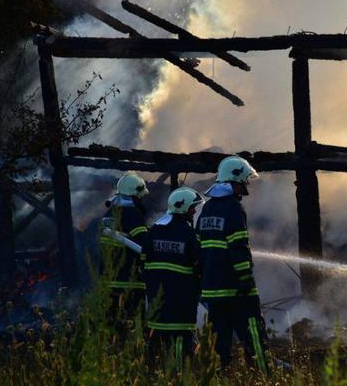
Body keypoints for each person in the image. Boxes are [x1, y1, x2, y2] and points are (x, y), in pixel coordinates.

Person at [196, 156, 268, 372]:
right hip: (236, 287)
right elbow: (238, 246)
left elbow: (199, 246)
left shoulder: (207, 209)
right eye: (245, 180)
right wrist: (245, 279)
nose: (246, 185)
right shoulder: (234, 208)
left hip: (214, 289)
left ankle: (219, 376)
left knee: (220, 338)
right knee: (253, 332)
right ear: (235, 179)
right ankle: (262, 374)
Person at [141, 187, 203, 363]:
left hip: (156, 297)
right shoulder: (190, 235)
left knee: (155, 336)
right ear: (183, 208)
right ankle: (179, 372)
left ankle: (152, 369)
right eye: (192, 207)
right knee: (181, 339)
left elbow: (143, 259)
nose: (194, 211)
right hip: (182, 300)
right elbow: (199, 265)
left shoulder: (154, 232)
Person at [99, 172, 149, 325]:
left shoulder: (108, 214)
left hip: (108, 280)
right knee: (133, 325)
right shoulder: (133, 214)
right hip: (129, 282)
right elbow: (143, 247)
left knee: (111, 324)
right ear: (136, 194)